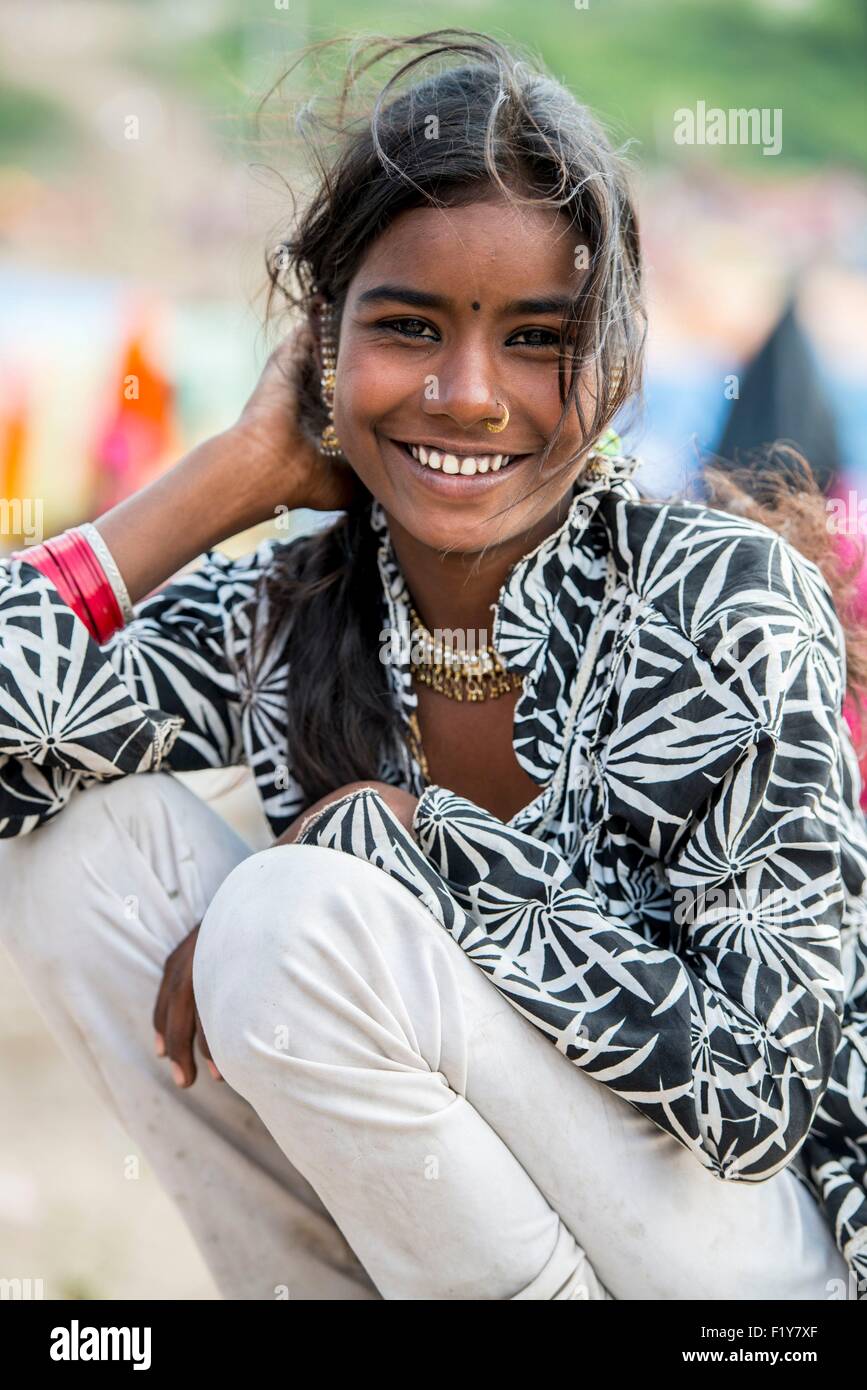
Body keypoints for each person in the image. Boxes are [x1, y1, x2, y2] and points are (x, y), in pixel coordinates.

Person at [0, 29, 865, 1302]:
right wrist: (223, 481)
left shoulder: (727, 607)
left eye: (535, 338)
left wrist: (407, 846)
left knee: (293, 917)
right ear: (324, 352)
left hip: (751, 1273)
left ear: (616, 367)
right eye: (408, 327)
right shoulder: (292, 612)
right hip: (457, 1244)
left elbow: (750, 1099)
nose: (468, 395)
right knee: (83, 856)